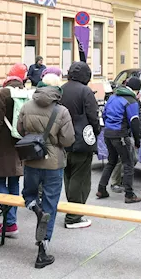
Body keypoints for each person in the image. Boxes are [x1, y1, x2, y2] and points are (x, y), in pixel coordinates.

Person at [17, 80, 75, 268]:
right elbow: (67, 140)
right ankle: (42, 250)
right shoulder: (62, 111)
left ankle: (35, 208)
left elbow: (20, 130)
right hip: (53, 163)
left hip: (31, 158)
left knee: (28, 194)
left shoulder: (26, 106)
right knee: (50, 204)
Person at [60, 61, 101, 229]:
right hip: (81, 141)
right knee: (80, 178)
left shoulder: (61, 89)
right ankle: (74, 216)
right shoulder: (86, 91)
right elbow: (93, 116)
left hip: (62, 139)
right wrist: (96, 131)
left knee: (68, 175)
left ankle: (71, 208)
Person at [0, 68, 26, 237]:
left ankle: (8, 223)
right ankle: (12, 221)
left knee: (0, 180)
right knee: (14, 182)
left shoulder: (3, 93)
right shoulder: (24, 92)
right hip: (18, 143)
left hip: (2, 143)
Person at [96, 76, 141, 204]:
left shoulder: (112, 97)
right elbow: (134, 122)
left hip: (108, 133)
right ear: (137, 91)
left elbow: (104, 114)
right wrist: (138, 141)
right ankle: (129, 194)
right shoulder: (131, 100)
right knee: (128, 163)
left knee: (111, 161)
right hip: (121, 135)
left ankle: (101, 189)